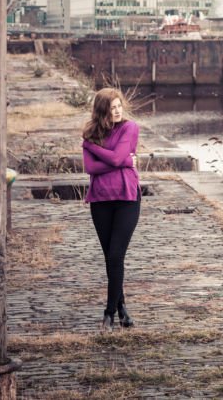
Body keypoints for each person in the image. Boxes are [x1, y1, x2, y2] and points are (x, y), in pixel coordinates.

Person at [82, 88, 140, 332]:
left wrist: (94, 149)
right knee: (110, 258)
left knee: (116, 255)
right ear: (102, 111)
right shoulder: (92, 132)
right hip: (101, 199)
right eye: (112, 108)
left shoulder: (129, 127)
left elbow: (116, 159)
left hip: (127, 198)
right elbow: (89, 168)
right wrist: (124, 160)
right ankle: (122, 307)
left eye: (119, 106)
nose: (117, 111)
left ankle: (109, 314)